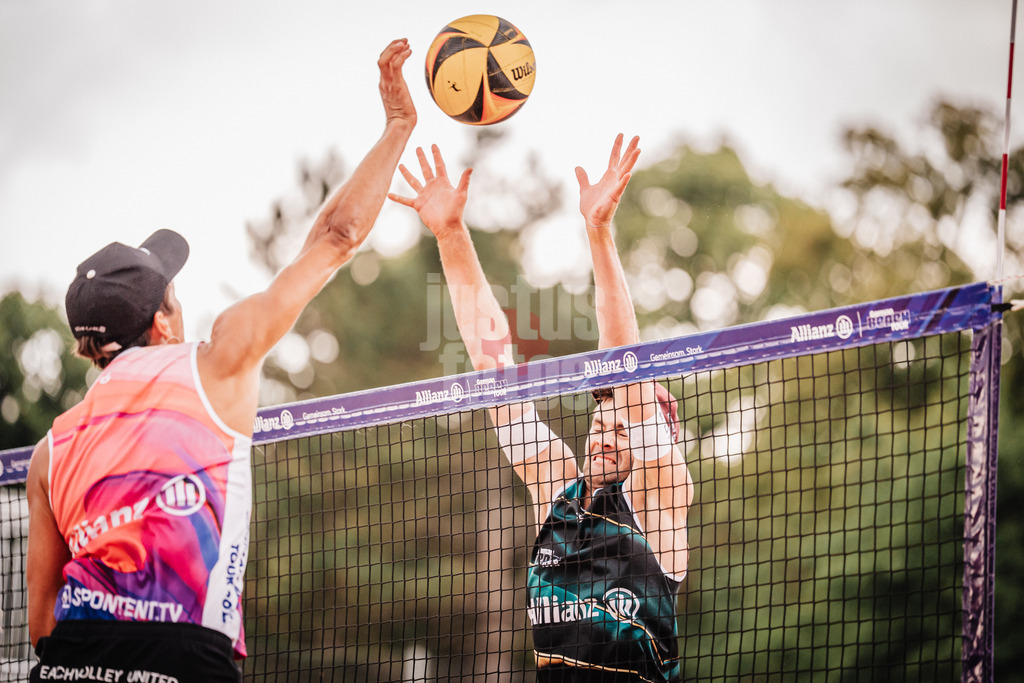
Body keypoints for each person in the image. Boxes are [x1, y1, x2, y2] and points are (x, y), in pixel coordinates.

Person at [24, 38, 417, 682]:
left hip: (69, 666)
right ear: (162, 321)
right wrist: (398, 125)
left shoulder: (50, 450)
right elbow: (337, 237)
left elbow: (41, 625)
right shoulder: (215, 364)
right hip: (184, 663)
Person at [389, 135, 695, 682]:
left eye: (622, 428)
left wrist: (598, 232)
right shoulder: (559, 493)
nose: (604, 434)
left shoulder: (662, 497)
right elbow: (494, 369)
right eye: (599, 424)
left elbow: (623, 364)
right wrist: (451, 233)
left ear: (656, 439)